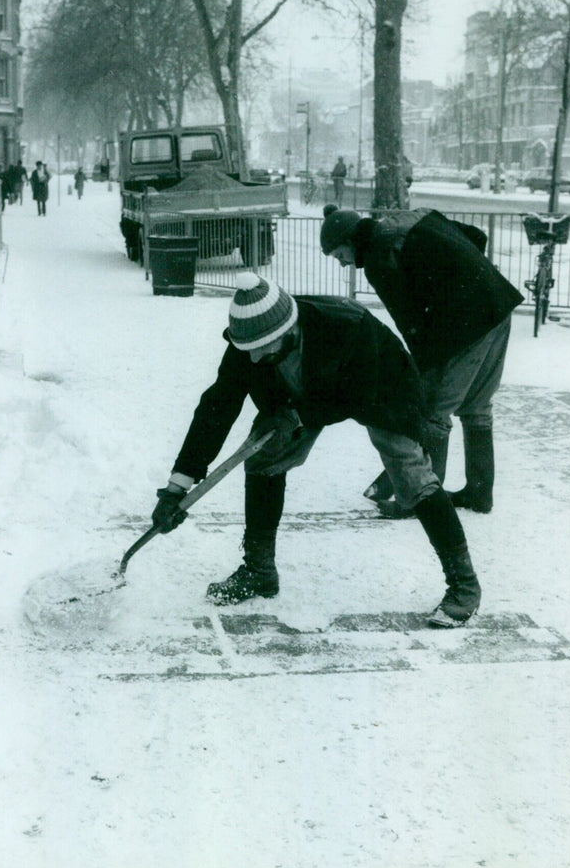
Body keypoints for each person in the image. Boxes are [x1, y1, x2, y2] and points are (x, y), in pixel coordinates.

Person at [150, 272, 481, 628]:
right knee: (263, 458)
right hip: (300, 395)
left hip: (381, 386)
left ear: (288, 331)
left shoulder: (346, 327)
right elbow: (216, 408)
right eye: (249, 349)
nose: (255, 355)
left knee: (410, 474)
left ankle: (464, 585)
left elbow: (358, 395)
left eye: (264, 347)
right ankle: (259, 570)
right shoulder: (247, 344)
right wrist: (176, 487)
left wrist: (296, 415)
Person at [320, 207, 523, 517]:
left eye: (339, 254)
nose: (343, 262)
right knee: (476, 407)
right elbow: (475, 237)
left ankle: (422, 501)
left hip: (467, 326)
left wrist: (422, 370)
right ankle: (479, 494)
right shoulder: (412, 217)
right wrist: (460, 278)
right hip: (496, 303)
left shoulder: (378, 255)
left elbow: (409, 320)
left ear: (351, 240)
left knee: (432, 413)